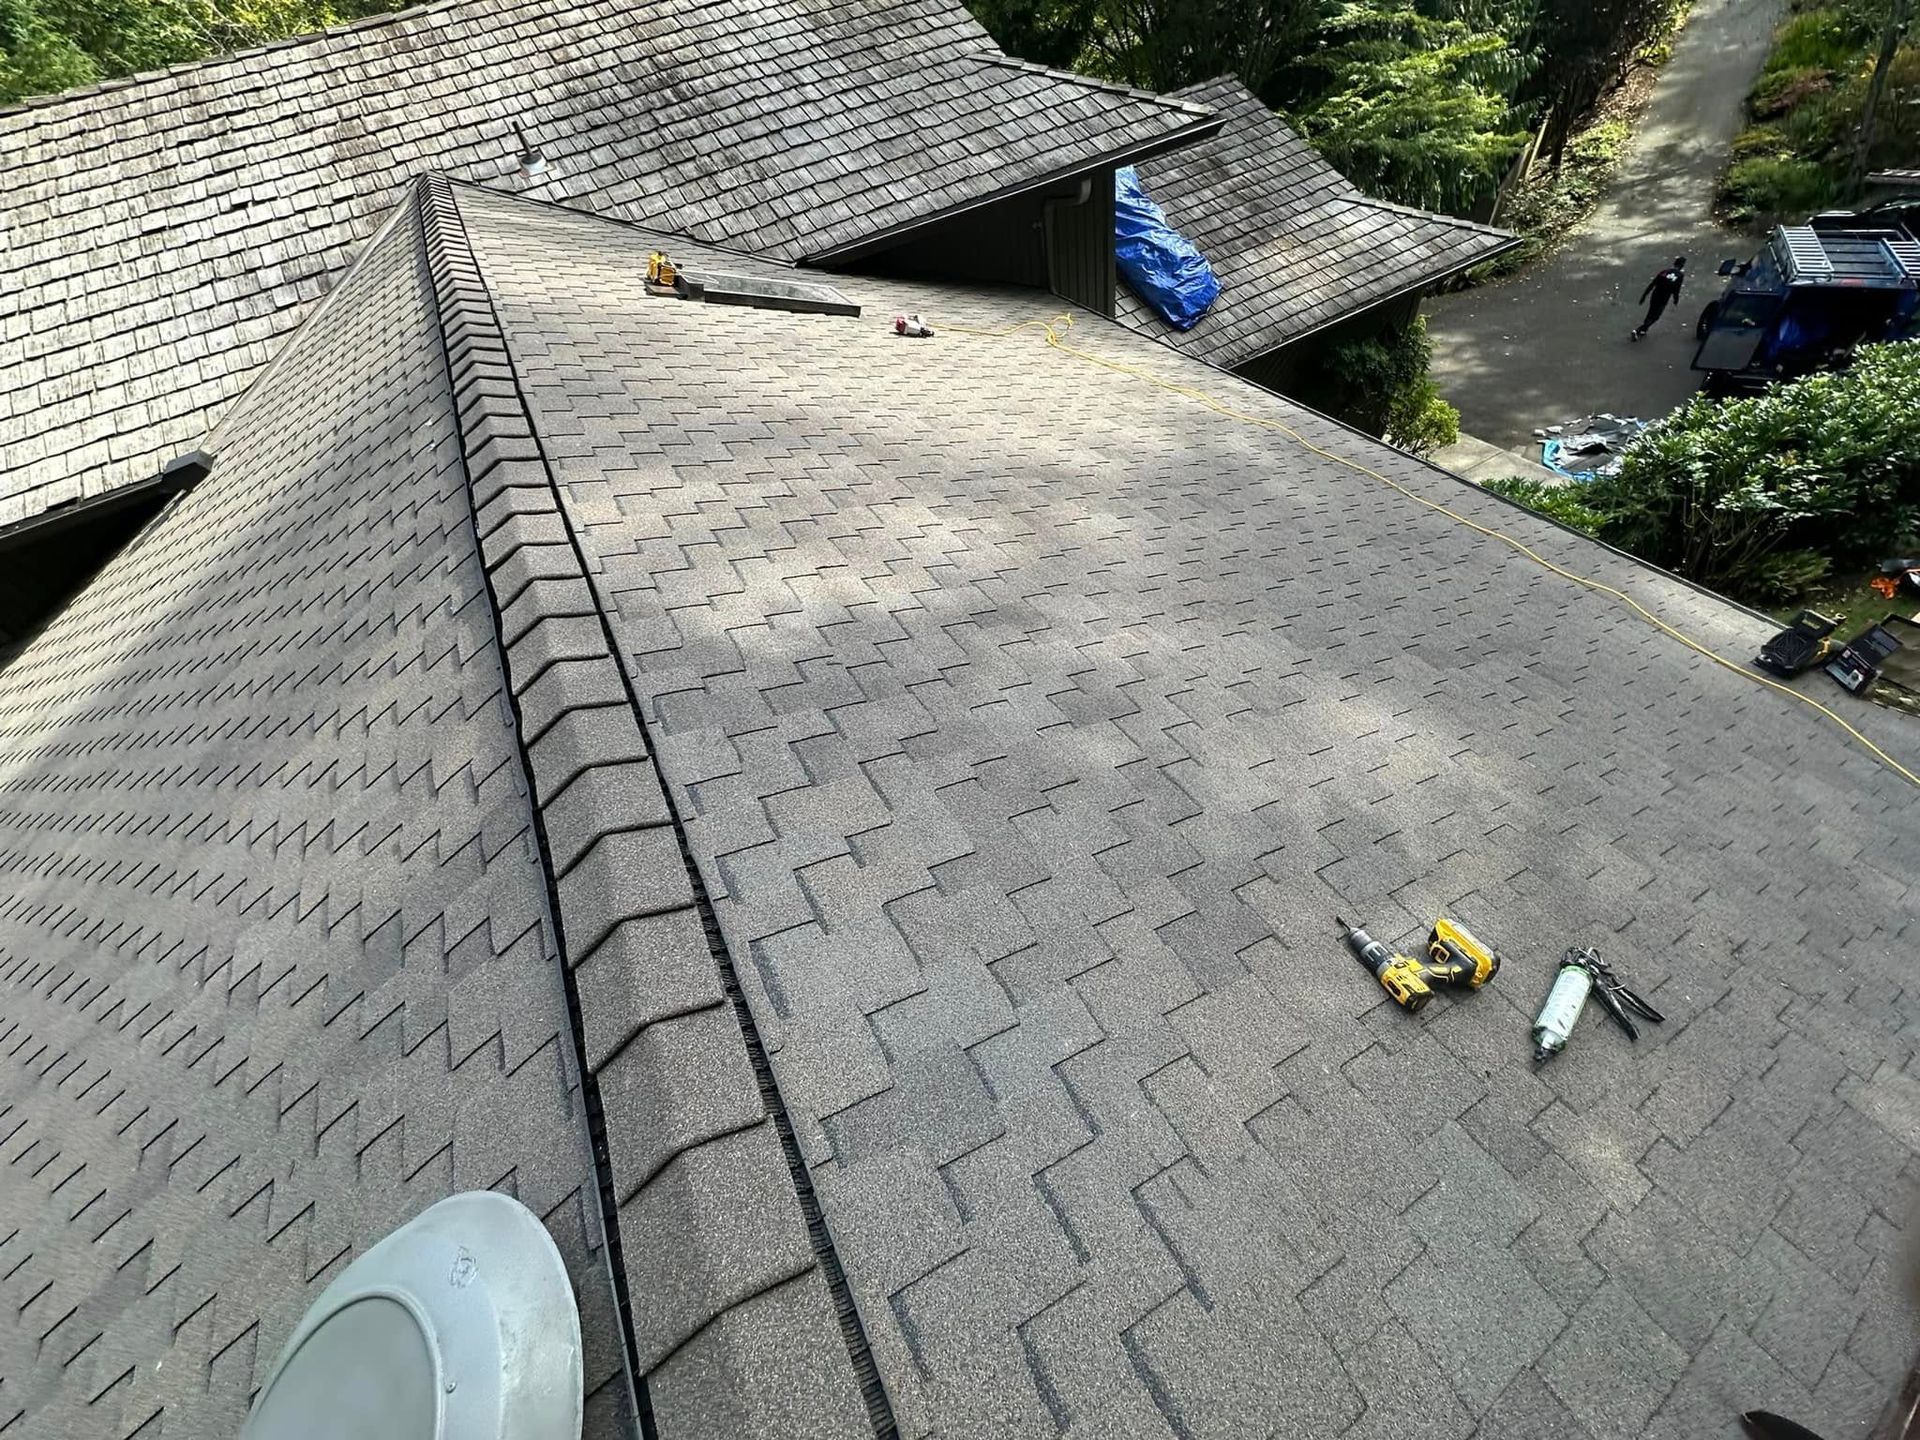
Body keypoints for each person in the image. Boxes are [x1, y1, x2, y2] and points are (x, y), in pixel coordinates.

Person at [1631, 257, 1686, 339]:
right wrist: (1676, 300)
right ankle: (1639, 330)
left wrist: (1644, 296)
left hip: (1655, 294)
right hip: (1664, 297)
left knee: (1651, 312)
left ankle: (1644, 330)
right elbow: (1676, 289)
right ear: (1682, 266)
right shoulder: (1680, 275)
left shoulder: (1664, 272)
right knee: (1656, 316)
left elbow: (1652, 284)